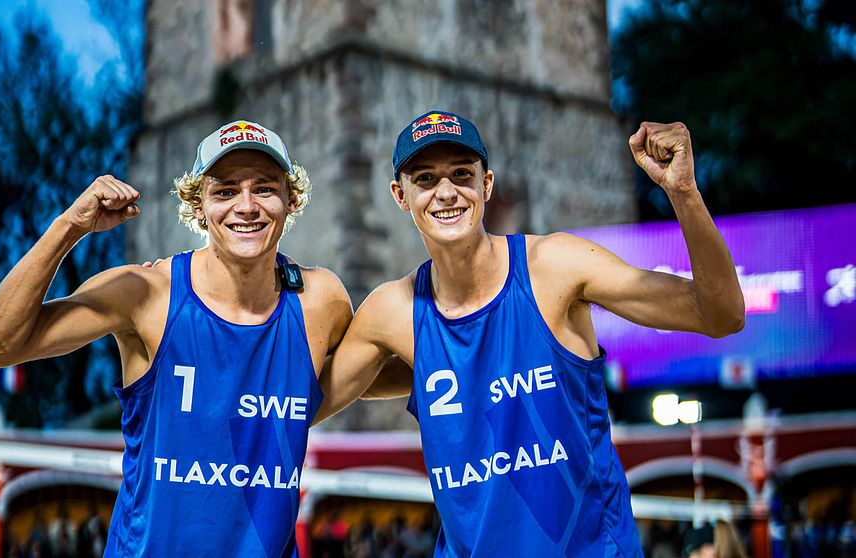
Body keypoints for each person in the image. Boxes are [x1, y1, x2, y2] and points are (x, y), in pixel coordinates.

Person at [317, 110, 745, 556]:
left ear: (486, 185)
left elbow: (721, 315)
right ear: (400, 196)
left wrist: (684, 193)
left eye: (461, 174)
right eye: (425, 178)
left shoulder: (554, 268)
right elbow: (297, 406)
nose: (446, 192)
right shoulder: (393, 311)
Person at [0, 120, 353, 556]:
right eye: (225, 191)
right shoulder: (148, 295)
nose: (246, 206)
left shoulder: (320, 301)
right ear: (198, 206)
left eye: (264, 188)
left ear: (291, 199)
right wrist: (69, 227)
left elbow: (380, 370)